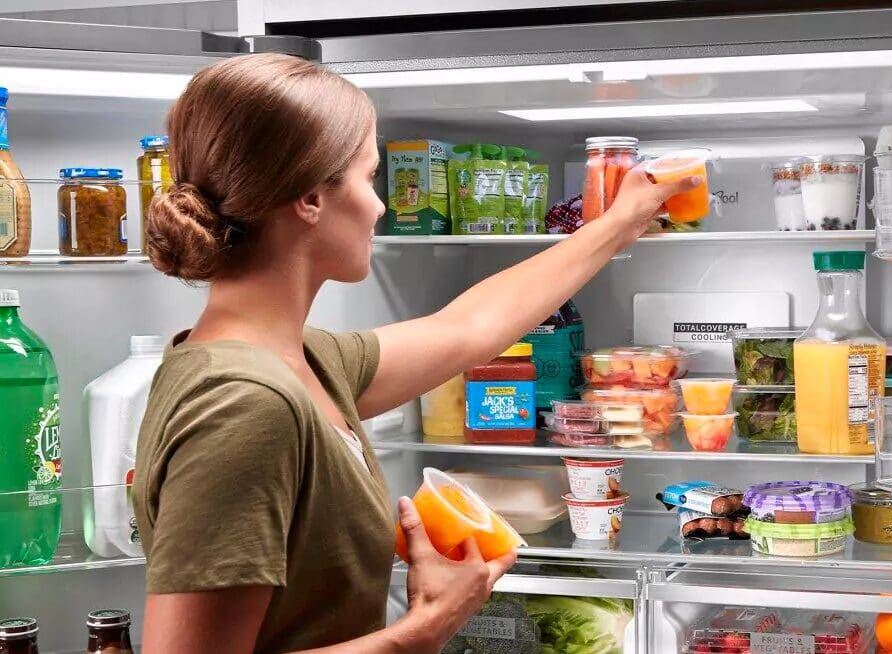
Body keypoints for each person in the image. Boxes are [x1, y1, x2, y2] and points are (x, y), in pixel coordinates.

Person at [131, 53, 699, 654]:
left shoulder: (301, 363)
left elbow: (469, 328)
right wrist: (424, 629)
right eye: (368, 178)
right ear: (309, 199)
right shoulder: (244, 407)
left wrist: (620, 221)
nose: (380, 206)